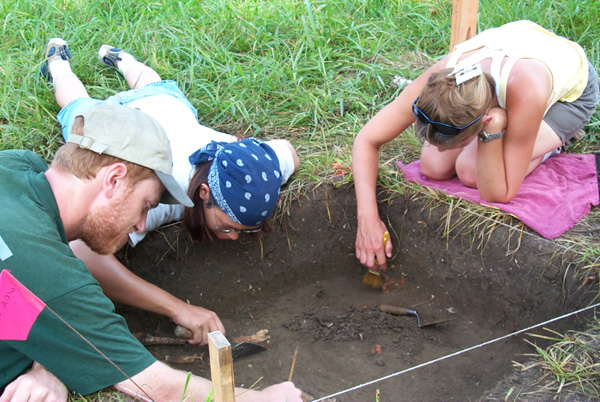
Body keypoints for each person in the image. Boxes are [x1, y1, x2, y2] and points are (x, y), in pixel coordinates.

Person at [0, 44, 303, 402]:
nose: (143, 221)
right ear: (113, 179)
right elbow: (154, 386)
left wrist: (46, 363)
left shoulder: (17, 166)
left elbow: (18, 291)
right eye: (146, 204)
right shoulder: (48, 272)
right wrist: (260, 399)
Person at [352, 20, 600, 270]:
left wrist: (495, 129)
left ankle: (551, 146)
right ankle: (509, 140)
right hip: (515, 58)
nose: (438, 147)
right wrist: (367, 218)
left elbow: (499, 193)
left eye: (450, 142)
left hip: (568, 97)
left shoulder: (528, 88)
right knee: (433, 166)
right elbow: (367, 139)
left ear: (482, 121)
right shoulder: (442, 79)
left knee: (471, 172)